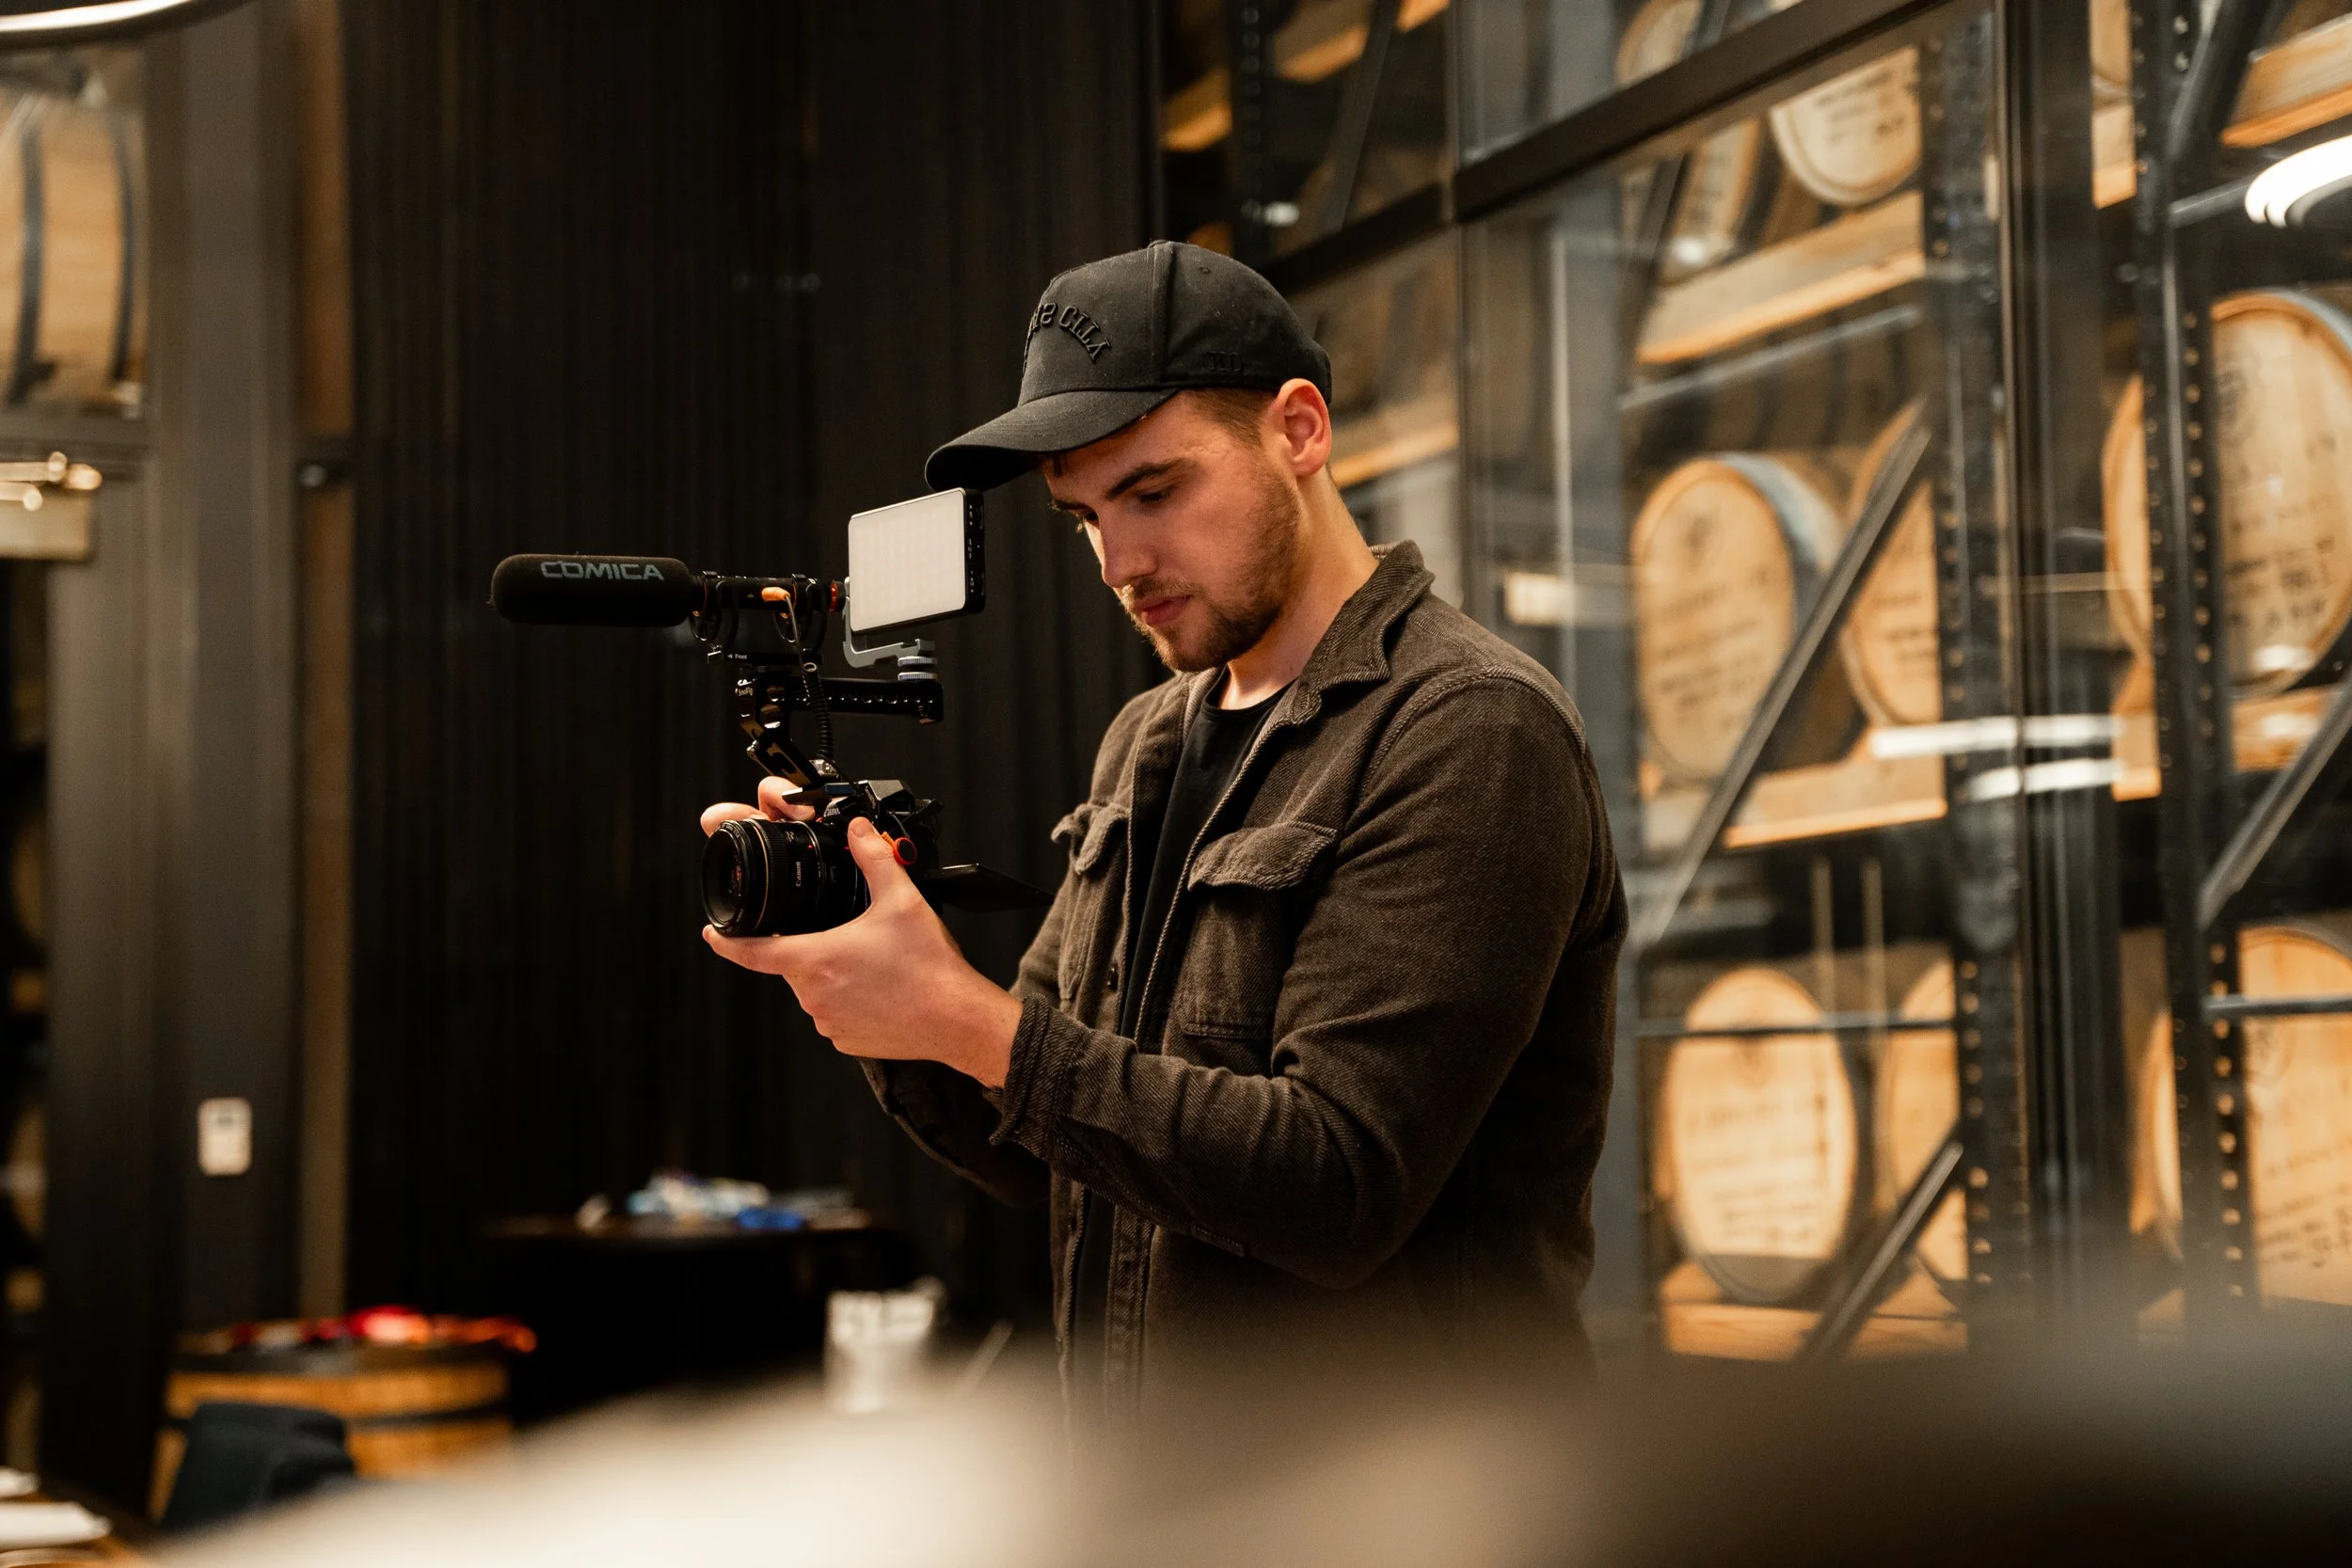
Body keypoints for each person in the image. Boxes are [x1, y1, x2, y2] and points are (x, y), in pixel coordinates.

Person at [700, 241, 1625, 1422]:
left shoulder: (1468, 727)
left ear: (1298, 430)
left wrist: (965, 1019)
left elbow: (1335, 1184)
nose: (1119, 561)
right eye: (1081, 516)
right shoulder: (1148, 738)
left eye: (1152, 491)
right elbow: (1047, 1145)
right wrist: (869, 967)